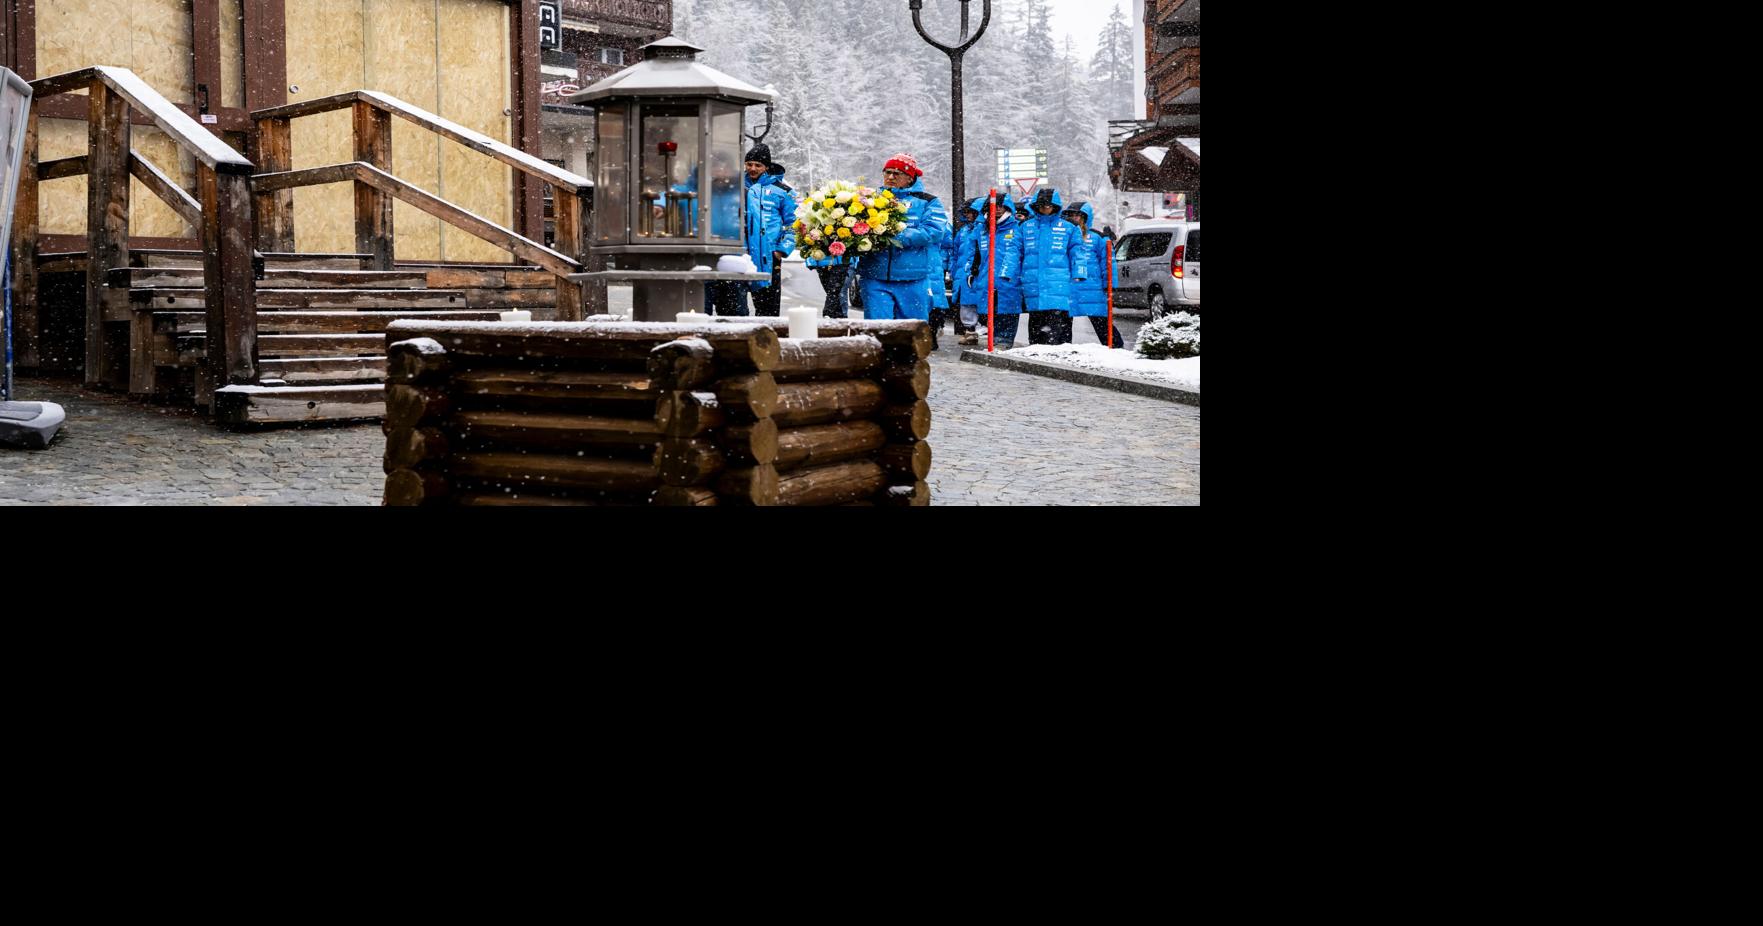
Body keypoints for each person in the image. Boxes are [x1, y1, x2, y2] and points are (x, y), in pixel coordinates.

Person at [853, 153, 951, 322]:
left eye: (896, 173)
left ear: (909, 177)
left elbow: (934, 231)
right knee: (878, 332)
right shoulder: (870, 199)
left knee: (911, 333)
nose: (890, 177)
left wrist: (893, 235)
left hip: (913, 279)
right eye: (887, 172)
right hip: (875, 277)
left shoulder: (928, 201)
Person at [1003, 187, 1087, 345]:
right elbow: (1014, 251)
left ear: (1055, 206)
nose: (1045, 209)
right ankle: (1037, 354)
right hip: (1033, 284)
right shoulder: (1025, 227)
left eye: (1048, 205)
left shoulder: (1068, 228)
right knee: (1036, 326)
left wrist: (1080, 271)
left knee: (1056, 327)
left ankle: (1055, 356)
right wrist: (1007, 271)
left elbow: (1078, 252)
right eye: (1041, 205)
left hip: (1058, 284)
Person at [959, 191, 1025, 348]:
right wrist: (970, 272)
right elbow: (973, 254)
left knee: (1007, 311)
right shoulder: (981, 229)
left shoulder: (1016, 228)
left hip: (1009, 281)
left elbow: (1019, 254)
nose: (998, 209)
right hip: (985, 278)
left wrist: (1010, 274)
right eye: (995, 206)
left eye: (1001, 206)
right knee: (988, 312)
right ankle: (994, 340)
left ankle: (1004, 341)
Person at [1063, 201, 1125, 348]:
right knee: (1063, 325)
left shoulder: (1097, 237)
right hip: (1067, 287)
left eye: (1077, 215)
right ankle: (1063, 350)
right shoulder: (1062, 235)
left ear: (1085, 217)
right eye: (1071, 215)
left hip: (1092, 288)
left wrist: (1109, 285)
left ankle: (1116, 349)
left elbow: (1108, 263)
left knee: (1101, 322)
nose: (1074, 218)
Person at [743, 143, 796, 317]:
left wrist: (781, 250)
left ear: (766, 167)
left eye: (758, 165)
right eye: (749, 164)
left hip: (770, 256)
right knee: (736, 309)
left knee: (768, 311)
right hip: (741, 256)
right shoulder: (735, 187)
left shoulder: (782, 191)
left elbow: (793, 224)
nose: (753, 168)